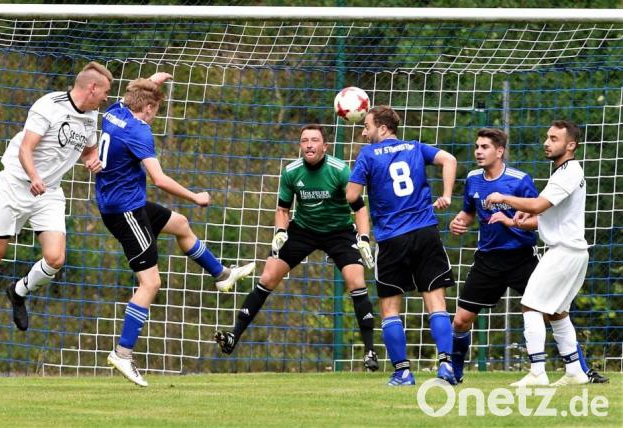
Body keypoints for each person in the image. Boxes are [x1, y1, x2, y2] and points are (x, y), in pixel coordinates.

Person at [97, 73, 255, 387]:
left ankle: (221, 275)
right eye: (155, 110)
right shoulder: (139, 131)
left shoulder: (116, 111)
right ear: (148, 108)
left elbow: (135, 91)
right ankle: (122, 353)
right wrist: (196, 197)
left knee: (181, 224)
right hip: (125, 212)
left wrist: (152, 81)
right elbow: (159, 179)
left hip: (124, 203)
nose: (155, 116)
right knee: (151, 283)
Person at [0, 62, 113, 364]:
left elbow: (89, 150)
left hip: (48, 192)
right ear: (92, 88)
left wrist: (92, 160)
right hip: (16, 184)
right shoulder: (49, 105)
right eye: (104, 92)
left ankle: (18, 292)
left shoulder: (91, 118)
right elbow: (26, 148)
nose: (106, 98)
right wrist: (34, 176)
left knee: (55, 258)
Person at [449, 127, 609, 384]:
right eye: (477, 146)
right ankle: (453, 373)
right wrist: (460, 221)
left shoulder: (521, 179)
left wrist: (507, 207)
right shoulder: (473, 179)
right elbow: (469, 212)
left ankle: (559, 371)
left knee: (548, 310)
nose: (478, 151)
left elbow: (537, 211)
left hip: (523, 257)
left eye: (485, 147)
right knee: (461, 320)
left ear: (499, 151)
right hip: (488, 259)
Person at [214, 124, 379, 371]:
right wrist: (280, 232)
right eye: (304, 140)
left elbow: (360, 209)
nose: (309, 145)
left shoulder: (340, 170)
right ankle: (233, 336)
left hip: (339, 231)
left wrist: (364, 237)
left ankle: (369, 352)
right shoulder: (291, 172)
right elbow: (283, 209)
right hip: (302, 230)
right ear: (300, 146)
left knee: (356, 281)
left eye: (314, 140)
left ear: (325, 146)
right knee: (268, 276)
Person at [346, 106, 458, 386]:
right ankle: (446, 365)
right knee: (436, 303)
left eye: (367, 127)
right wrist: (446, 195)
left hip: (391, 238)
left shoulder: (368, 155)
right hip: (425, 233)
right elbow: (449, 159)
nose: (364, 133)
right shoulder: (416, 147)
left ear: (383, 128)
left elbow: (351, 195)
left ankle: (403, 372)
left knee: (390, 309)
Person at [484, 120, 595, 387]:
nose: (546, 143)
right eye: (547, 137)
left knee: (531, 305)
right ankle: (575, 372)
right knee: (557, 312)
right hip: (572, 252)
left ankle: (537, 372)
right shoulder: (563, 172)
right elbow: (543, 212)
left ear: (571, 145)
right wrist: (521, 217)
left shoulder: (569, 172)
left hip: (564, 251)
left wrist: (503, 198)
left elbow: (537, 204)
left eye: (554, 139)